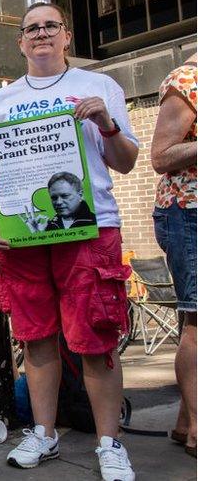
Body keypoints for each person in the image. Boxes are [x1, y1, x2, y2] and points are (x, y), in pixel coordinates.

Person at [0, 2, 139, 481]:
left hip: (91, 229)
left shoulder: (99, 86)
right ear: (21, 42)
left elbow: (127, 161)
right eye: (32, 28)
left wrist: (106, 123)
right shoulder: (0, 102)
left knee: (95, 336)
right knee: (35, 336)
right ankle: (44, 433)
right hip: (24, 236)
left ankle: (110, 444)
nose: (41, 33)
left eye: (50, 26)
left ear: (66, 35)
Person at [151, 54, 197, 457]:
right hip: (189, 211)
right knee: (197, 318)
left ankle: (185, 423)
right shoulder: (187, 79)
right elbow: (161, 156)